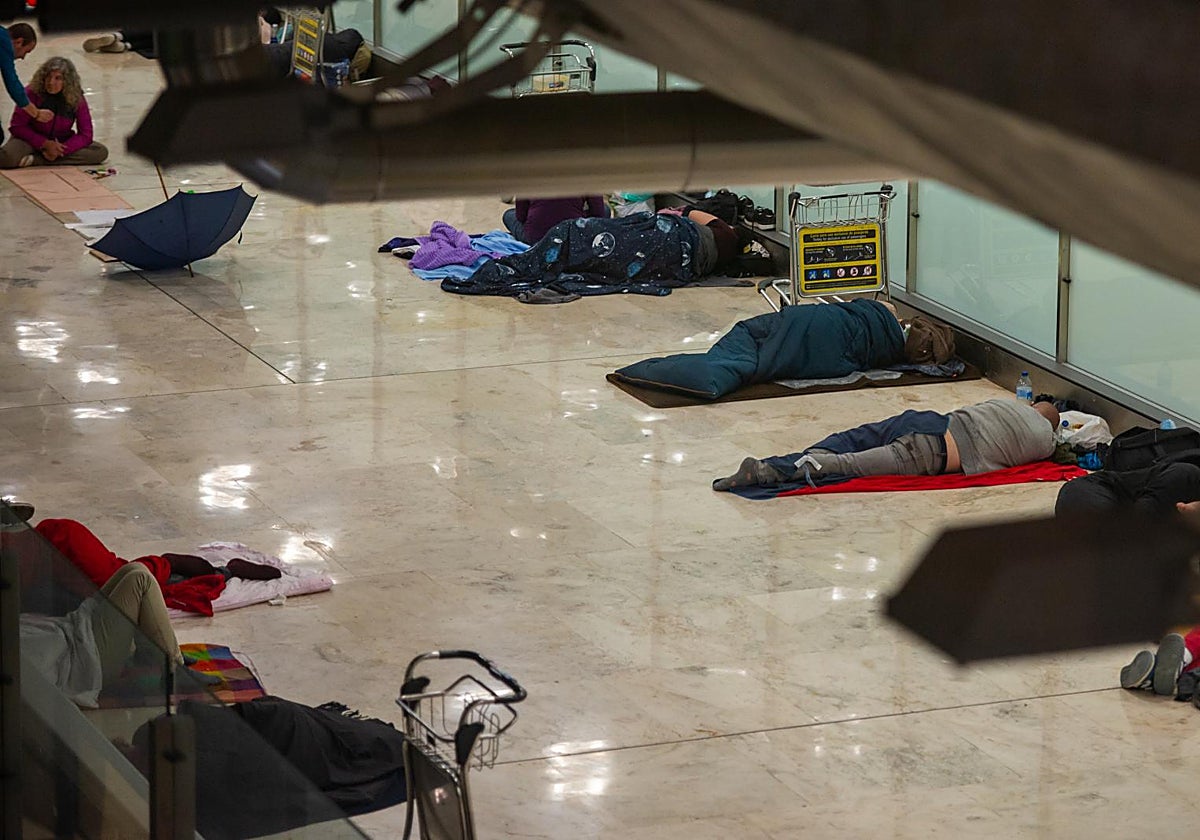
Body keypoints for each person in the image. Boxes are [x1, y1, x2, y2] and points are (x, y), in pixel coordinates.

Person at [713, 397, 1060, 491]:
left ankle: (788, 458)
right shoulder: (1045, 442)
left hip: (923, 420)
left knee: (846, 439)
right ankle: (772, 470)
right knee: (848, 465)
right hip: (931, 451)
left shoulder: (1007, 405)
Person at [442, 207, 743, 304]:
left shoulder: (722, 231)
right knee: (598, 251)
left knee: (574, 233)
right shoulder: (715, 254)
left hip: (669, 235)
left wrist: (678, 213)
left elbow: (680, 212)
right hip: (669, 256)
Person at [20, 562, 218, 708]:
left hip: (73, 633)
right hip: (86, 658)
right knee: (140, 581)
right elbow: (49, 660)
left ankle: (154, 653)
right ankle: (174, 670)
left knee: (133, 569)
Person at [0, 56, 108, 168]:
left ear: (67, 81)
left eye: (58, 78)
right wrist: (44, 143)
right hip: (30, 140)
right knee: (5, 158)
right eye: (48, 77)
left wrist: (61, 149)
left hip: (61, 142)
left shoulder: (76, 98)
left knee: (100, 152)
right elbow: (17, 127)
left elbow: (86, 134)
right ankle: (47, 156)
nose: (51, 82)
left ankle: (37, 160)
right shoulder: (31, 92)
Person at [0, 23, 53, 146]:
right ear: (19, 42)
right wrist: (36, 113)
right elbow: (12, 83)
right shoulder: (4, 42)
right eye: (26, 51)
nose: (23, 57)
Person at [502, 195, 610, 245]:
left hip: (538, 238)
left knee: (509, 215)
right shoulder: (586, 172)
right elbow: (598, 213)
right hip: (574, 236)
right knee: (606, 210)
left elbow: (521, 216)